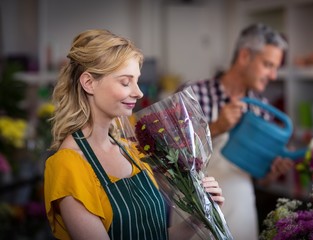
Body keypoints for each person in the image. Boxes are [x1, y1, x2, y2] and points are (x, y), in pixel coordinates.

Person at [43, 29, 225, 240]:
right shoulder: (68, 165)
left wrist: (200, 215)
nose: (138, 92)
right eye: (125, 82)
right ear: (89, 83)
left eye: (136, 81)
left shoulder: (131, 150)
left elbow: (157, 236)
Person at [176, 23, 295, 239]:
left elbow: (261, 180)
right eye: (268, 64)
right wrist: (217, 127)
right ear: (244, 56)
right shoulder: (192, 93)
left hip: (241, 212)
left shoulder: (261, 108)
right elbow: (171, 154)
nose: (274, 75)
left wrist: (271, 172)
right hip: (193, 211)